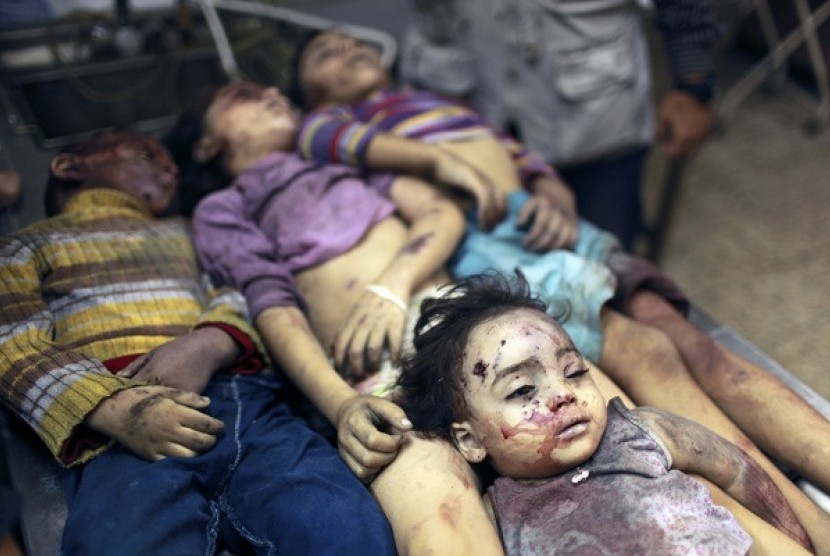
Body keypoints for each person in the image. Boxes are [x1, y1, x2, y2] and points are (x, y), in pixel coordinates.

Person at [290, 28, 830, 551]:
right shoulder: (326, 130)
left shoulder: (432, 103)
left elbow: (516, 155)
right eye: (325, 53)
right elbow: (343, 149)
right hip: (486, 252)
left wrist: (548, 188)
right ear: (308, 93)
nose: (348, 46)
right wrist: (441, 162)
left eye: (356, 42)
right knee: (639, 371)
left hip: (542, 230)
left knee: (676, 342)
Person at [0, 130, 395, 555]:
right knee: (127, 543)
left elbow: (239, 291)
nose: (169, 168)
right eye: (145, 154)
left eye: (170, 162)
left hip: (250, 406)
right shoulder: (24, 246)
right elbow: (13, 344)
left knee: (344, 525)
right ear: (68, 166)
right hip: (118, 432)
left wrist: (210, 342)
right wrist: (114, 408)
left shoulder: (192, 230)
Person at [189, 81, 511, 555]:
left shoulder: (341, 164)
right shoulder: (224, 209)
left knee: (597, 444)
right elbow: (274, 309)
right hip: (378, 379)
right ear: (208, 144)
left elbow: (439, 211)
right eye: (240, 95)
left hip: (462, 325)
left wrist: (392, 286)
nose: (273, 92)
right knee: (440, 512)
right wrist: (341, 407)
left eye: (273, 88)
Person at [396, 271, 813, 555]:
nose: (563, 394)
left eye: (574, 372)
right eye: (523, 389)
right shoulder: (496, 515)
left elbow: (738, 470)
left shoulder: (643, 431)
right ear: (469, 440)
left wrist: (796, 542)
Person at [400, 0, 720, 251]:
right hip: (459, 99)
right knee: (469, 251)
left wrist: (693, 85)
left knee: (604, 259)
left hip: (592, 119)